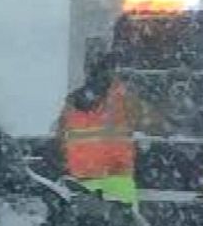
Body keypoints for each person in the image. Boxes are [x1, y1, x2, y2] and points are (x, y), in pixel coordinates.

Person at [56, 52, 141, 205]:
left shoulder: (73, 100)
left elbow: (61, 136)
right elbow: (148, 120)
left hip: (83, 177)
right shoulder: (122, 98)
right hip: (117, 177)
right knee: (126, 224)